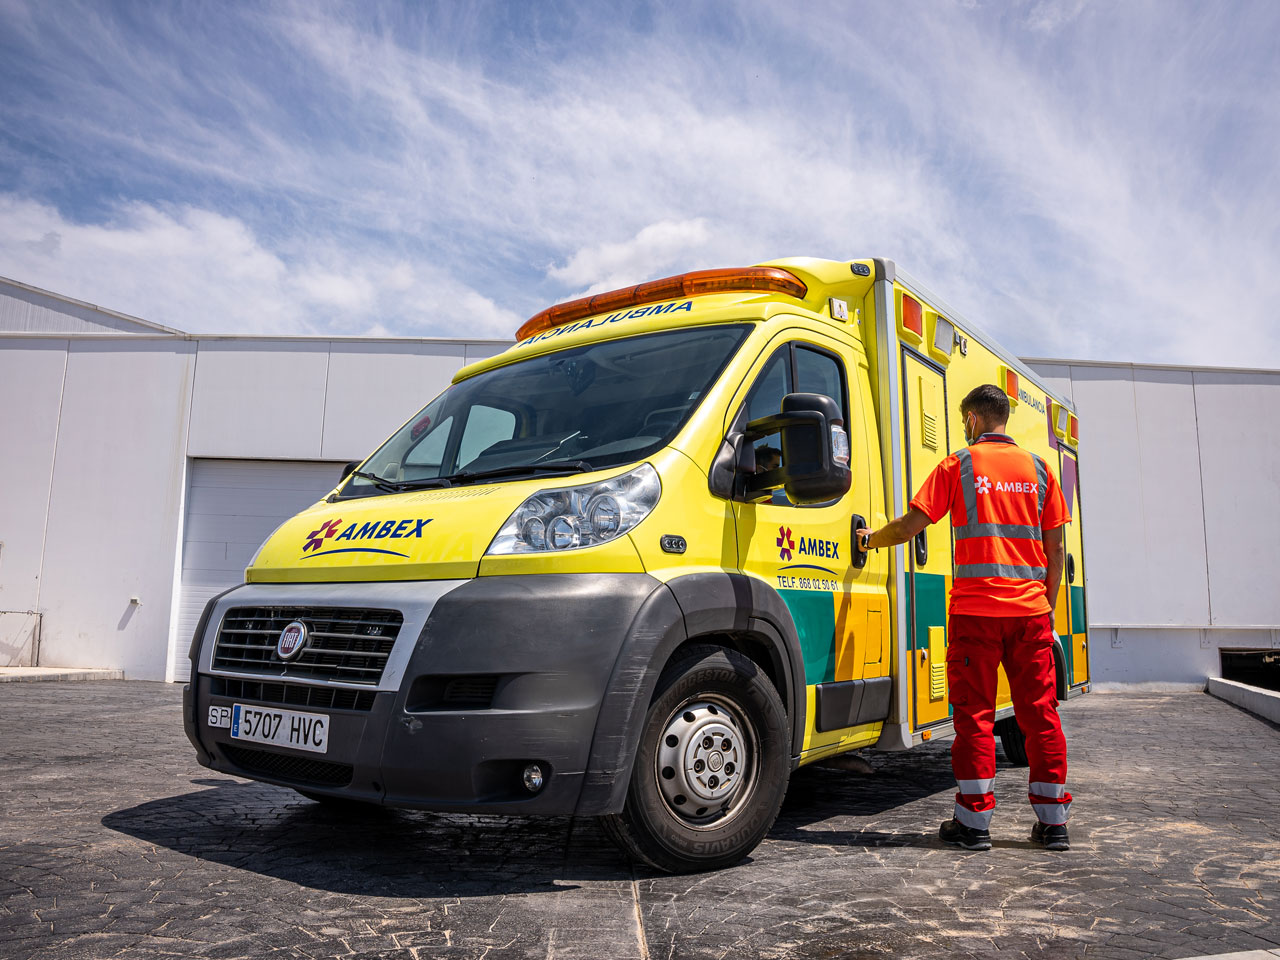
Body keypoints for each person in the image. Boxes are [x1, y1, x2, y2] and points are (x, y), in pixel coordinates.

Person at [856, 384, 1072, 852]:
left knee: (975, 717)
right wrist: (1047, 608)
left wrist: (870, 540)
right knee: (1040, 714)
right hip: (1030, 614)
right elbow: (1056, 551)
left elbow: (911, 526)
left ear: (973, 419)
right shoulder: (1041, 469)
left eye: (963, 420)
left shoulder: (959, 465)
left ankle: (974, 825)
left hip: (976, 614)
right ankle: (1053, 823)